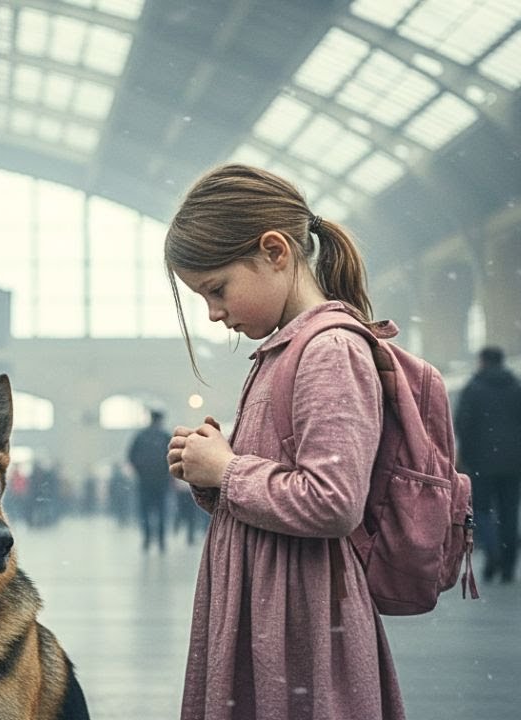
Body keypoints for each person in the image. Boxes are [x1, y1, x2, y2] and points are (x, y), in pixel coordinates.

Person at [163, 164, 405, 720]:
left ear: (274, 251)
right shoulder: (285, 351)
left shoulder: (329, 351)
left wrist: (227, 471)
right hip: (275, 610)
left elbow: (332, 501)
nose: (213, 313)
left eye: (216, 289)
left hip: (300, 620)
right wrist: (210, 470)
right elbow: (282, 484)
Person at [455, 346, 521, 583]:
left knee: (482, 511)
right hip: (514, 464)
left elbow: (462, 425)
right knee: (509, 514)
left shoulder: (473, 389)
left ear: (483, 361)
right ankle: (508, 566)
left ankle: (492, 551)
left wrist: (468, 459)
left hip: (481, 464)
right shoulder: (520, 389)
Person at [128, 406, 172, 553]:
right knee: (162, 511)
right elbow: (173, 457)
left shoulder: (141, 436)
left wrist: (141, 472)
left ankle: (147, 538)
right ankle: (161, 540)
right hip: (161, 481)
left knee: (145, 511)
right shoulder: (165, 437)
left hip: (145, 481)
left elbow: (131, 457)